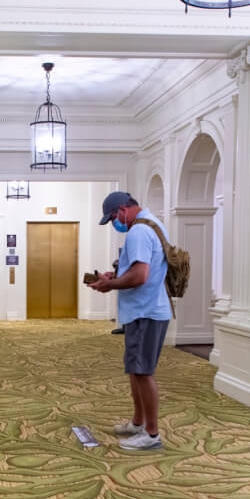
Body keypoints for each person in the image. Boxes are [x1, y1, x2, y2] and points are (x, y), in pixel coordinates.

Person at [88, 191, 172, 451]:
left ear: (123, 210)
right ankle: (138, 423)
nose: (115, 223)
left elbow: (140, 275)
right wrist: (115, 274)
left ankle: (151, 433)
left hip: (144, 312)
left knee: (143, 372)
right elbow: (139, 269)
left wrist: (109, 284)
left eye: (113, 217)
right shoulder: (152, 225)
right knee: (136, 370)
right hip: (145, 311)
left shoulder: (138, 232)